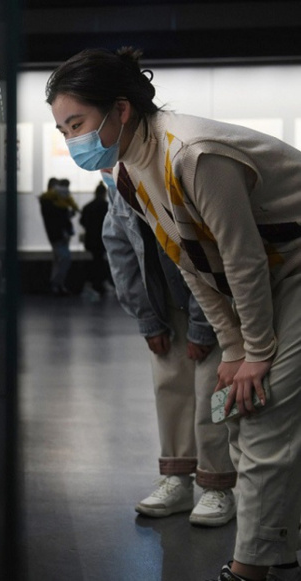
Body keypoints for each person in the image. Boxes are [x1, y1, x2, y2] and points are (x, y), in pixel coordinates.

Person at [48, 46, 301, 581]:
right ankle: (278, 546)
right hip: (265, 272)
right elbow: (189, 261)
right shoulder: (132, 170)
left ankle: (253, 566)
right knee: (240, 410)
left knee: (264, 408)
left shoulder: (192, 153)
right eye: (64, 129)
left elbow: (241, 257)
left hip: (289, 266)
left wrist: (254, 352)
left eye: (78, 124)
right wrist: (235, 348)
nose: (72, 140)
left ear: (120, 109)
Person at [101, 169, 237, 526]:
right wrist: (147, 318)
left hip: (214, 305)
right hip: (165, 307)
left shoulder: (175, 179)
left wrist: (202, 327)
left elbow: (207, 256)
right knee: (170, 389)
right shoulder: (117, 189)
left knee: (214, 393)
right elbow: (120, 251)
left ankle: (217, 483)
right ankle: (177, 476)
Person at [39, 177, 79, 295]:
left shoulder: (52, 200)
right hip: (58, 234)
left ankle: (57, 285)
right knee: (64, 259)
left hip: (59, 234)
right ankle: (56, 284)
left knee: (59, 260)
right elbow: (57, 217)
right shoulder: (49, 201)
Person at [79, 181, 111, 299]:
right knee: (100, 261)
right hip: (102, 239)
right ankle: (99, 283)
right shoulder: (106, 206)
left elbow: (82, 222)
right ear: (104, 193)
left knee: (95, 261)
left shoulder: (88, 206)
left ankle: (95, 283)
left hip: (91, 240)